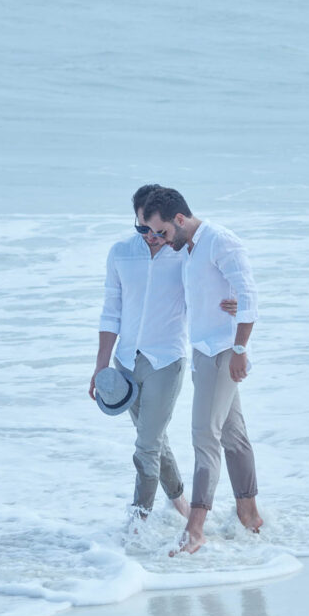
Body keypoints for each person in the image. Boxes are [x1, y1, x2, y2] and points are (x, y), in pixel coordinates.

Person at [89, 184, 236, 522]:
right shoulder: (120, 254)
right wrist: (100, 366)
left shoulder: (184, 255)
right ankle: (181, 504)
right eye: (142, 229)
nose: (151, 236)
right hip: (124, 363)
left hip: (166, 362)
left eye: (155, 230)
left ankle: (138, 522)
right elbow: (110, 312)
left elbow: (211, 292)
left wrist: (238, 304)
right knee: (153, 438)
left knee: (146, 446)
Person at [141, 187, 264, 555]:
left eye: (161, 232)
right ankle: (250, 515)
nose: (158, 239)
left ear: (180, 219)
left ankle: (196, 529)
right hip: (203, 351)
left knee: (203, 436)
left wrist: (240, 349)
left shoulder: (220, 241)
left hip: (222, 352)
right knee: (234, 436)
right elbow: (224, 293)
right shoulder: (188, 248)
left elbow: (251, 295)